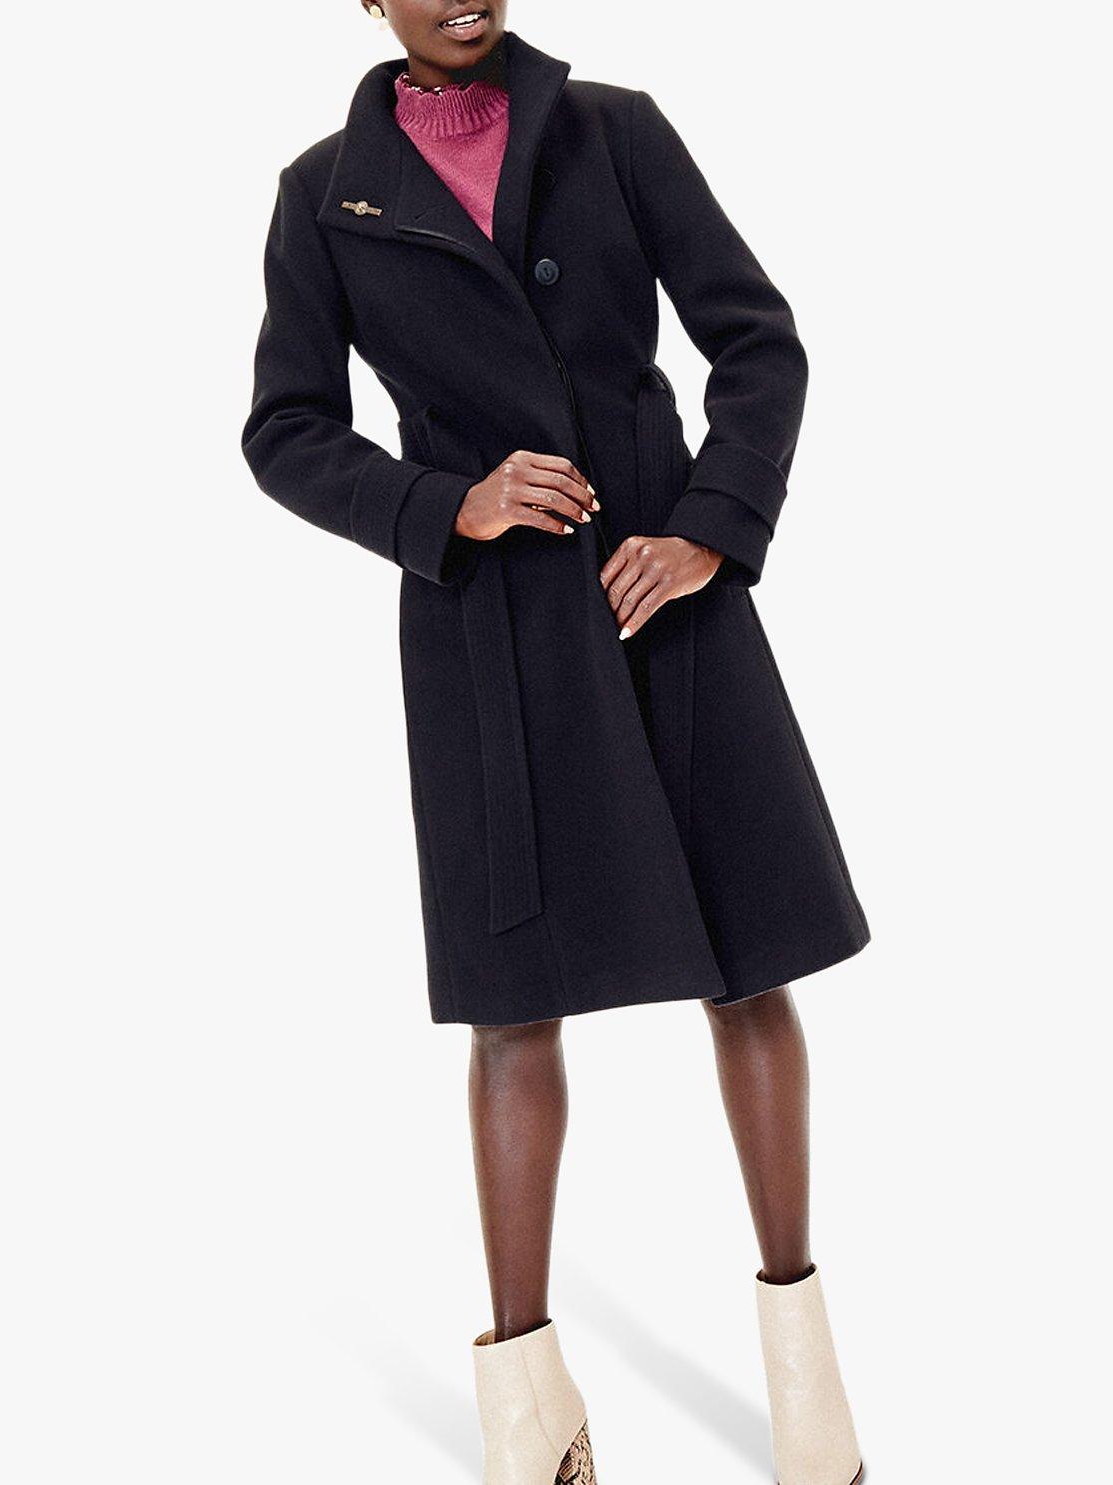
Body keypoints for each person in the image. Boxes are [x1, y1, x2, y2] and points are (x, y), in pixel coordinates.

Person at [242, 6, 869, 1483]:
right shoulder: (324, 190)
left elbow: (757, 341)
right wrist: (442, 505)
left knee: (748, 967)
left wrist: (710, 528)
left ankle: (805, 1374)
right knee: (512, 1008)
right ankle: (524, 1406)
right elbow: (284, 428)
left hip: (662, 601)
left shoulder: (613, 128)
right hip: (493, 633)